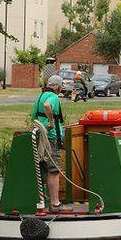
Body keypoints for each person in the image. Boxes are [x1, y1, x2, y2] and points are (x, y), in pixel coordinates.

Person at [32, 75, 70, 212]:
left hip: (39, 137)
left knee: (44, 170)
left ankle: (46, 201)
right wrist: (51, 122)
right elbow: (47, 106)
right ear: (58, 87)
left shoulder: (39, 97)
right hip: (51, 139)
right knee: (54, 171)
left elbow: (34, 117)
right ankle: (55, 204)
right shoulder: (53, 97)